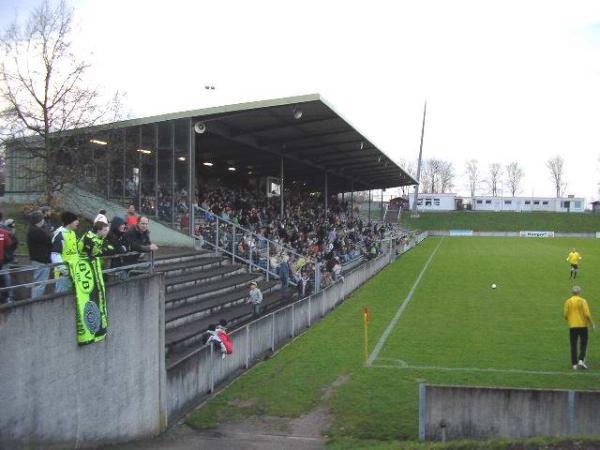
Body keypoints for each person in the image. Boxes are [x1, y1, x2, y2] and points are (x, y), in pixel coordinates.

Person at [564, 286, 595, 370]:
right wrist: (591, 323)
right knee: (583, 344)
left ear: (572, 293)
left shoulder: (568, 301)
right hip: (583, 326)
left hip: (572, 326)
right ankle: (581, 360)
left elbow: (566, 315)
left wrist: (570, 320)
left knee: (573, 345)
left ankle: (574, 365)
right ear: (579, 293)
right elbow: (587, 314)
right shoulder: (583, 301)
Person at [50, 212, 80, 293]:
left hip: (75, 272)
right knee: (61, 297)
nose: (78, 222)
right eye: (75, 220)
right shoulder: (60, 235)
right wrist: (65, 270)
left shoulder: (72, 233)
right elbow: (55, 255)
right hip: (63, 275)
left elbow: (75, 252)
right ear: (69, 221)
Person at [27, 211, 52, 299]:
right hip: (42, 260)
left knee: (37, 282)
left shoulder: (31, 230)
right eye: (42, 219)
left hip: (36, 259)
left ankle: (35, 300)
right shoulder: (37, 231)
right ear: (39, 220)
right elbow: (49, 239)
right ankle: (36, 301)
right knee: (40, 283)